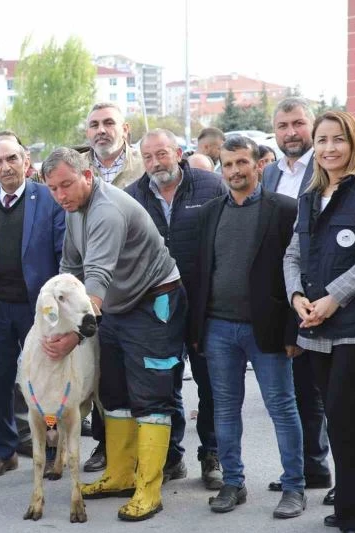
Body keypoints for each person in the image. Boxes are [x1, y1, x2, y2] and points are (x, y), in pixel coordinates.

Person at [42, 147, 184, 522]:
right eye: (53, 189)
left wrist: (73, 337)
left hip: (154, 304)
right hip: (115, 307)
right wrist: (57, 320)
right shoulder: (73, 211)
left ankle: (149, 489)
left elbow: (96, 281)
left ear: (88, 176)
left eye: (67, 185)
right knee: (114, 393)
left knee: (151, 394)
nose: (61, 195)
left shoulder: (106, 210)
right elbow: (69, 270)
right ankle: (120, 475)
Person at [188, 135, 305, 518]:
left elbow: (297, 272)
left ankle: (294, 488)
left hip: (266, 329)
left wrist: (293, 332)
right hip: (218, 329)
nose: (235, 171)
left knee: (283, 409)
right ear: (220, 169)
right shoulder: (209, 212)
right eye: (227, 164)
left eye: (242, 163)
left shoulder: (285, 210)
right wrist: (198, 330)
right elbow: (200, 273)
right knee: (224, 409)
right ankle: (233, 483)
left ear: (259, 165)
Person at [125, 129, 227, 490]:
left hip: (205, 305)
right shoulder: (132, 196)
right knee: (164, 384)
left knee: (210, 384)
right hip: (157, 310)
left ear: (179, 152)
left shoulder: (211, 186)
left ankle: (212, 455)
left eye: (162, 154)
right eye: (148, 157)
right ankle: (171, 456)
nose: (156, 163)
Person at [0, 139, 65, 478]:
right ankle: (5, 452)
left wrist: (57, 309)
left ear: (26, 161)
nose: (6, 167)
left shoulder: (48, 198)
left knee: (45, 382)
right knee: (0, 382)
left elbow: (62, 255)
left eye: (12, 159)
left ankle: (53, 451)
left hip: (38, 309)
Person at [283, 110, 355, 533]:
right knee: (335, 415)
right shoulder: (309, 196)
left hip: (351, 327)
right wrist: (297, 296)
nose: (330, 148)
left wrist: (334, 298)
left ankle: (352, 511)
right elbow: (293, 253)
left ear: (352, 143)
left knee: (348, 420)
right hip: (315, 328)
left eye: (338, 139)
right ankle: (348, 504)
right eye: (322, 140)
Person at [263, 98, 332, 500]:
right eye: (283, 125)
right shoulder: (270, 172)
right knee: (291, 389)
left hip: (320, 296)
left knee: (316, 390)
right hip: (283, 293)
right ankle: (305, 468)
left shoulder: (326, 171)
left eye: (298, 124)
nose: (291, 132)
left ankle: (319, 467)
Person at [84, 102, 144, 188]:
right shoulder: (75, 167)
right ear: (87, 133)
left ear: (125, 130)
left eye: (109, 123)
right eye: (94, 125)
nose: (101, 130)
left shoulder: (144, 165)